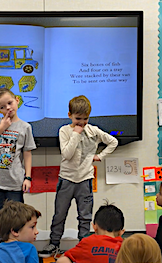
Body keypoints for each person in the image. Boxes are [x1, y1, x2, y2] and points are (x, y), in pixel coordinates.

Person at [39, 95, 118, 257]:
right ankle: (54, 243)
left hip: (85, 180)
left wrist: (100, 156)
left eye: (85, 119)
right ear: (70, 115)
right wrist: (75, 133)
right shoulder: (65, 131)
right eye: (78, 118)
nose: (81, 122)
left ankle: (83, 244)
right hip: (66, 179)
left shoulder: (93, 131)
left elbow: (113, 142)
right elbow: (67, 154)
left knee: (85, 216)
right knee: (60, 214)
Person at [0, 88, 36, 243]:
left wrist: (28, 177)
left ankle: (17, 250)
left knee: (17, 220)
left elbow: (27, 153)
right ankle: (2, 249)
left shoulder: (25, 127)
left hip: (15, 183)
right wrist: (2, 127)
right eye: (2, 107)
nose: (8, 108)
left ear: (17, 100)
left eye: (10, 103)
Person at [56, 202, 124, 263]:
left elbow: (62, 260)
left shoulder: (87, 242)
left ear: (95, 227)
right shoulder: (126, 247)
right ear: (121, 232)